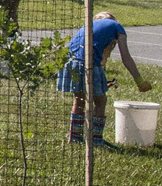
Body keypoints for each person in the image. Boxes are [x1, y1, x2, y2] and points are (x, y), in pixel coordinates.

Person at [55, 11, 153, 146]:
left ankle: (75, 138)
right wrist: (139, 80)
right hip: (88, 63)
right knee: (100, 101)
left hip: (70, 62)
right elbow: (126, 58)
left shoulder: (90, 25)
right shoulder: (117, 27)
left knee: (79, 99)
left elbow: (97, 55)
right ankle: (95, 139)